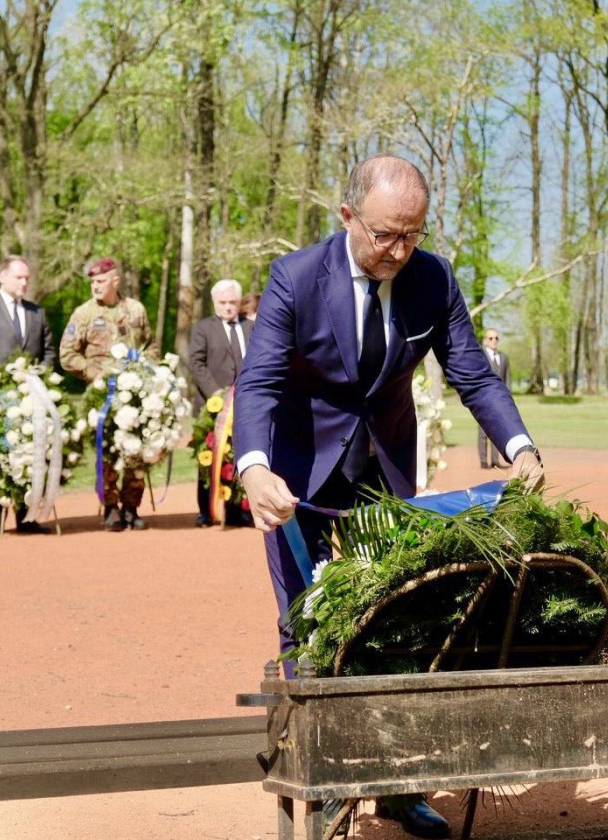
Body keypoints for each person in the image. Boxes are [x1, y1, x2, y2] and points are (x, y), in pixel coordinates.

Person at [234, 154, 543, 840]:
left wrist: (520, 447)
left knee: (407, 616)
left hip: (385, 468)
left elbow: (472, 373)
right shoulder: (294, 279)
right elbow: (256, 384)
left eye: (413, 234)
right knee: (305, 623)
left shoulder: (431, 278)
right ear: (347, 217)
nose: (400, 252)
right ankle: (314, 790)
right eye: (384, 236)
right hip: (297, 474)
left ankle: (404, 790)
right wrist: (253, 469)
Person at [60, 257, 158, 531]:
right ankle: (111, 508)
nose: (95, 286)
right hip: (102, 397)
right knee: (108, 454)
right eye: (92, 282)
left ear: (115, 281)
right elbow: (67, 355)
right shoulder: (84, 314)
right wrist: (95, 373)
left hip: (135, 394)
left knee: (136, 452)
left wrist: (146, 371)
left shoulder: (135, 309)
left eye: (101, 281)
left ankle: (131, 507)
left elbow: (151, 346)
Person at [0, 255, 58, 535]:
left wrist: (38, 378)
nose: (25, 282)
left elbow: (49, 351)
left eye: (27, 278)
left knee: (29, 453)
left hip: (32, 398)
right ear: (2, 277)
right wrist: (0, 380)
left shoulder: (36, 312)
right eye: (19, 277)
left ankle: (26, 516)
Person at [188, 278, 254, 527]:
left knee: (241, 456)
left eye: (232, 302)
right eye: (223, 302)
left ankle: (238, 510)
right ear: (214, 302)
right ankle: (206, 511)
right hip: (211, 406)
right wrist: (217, 394)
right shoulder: (203, 328)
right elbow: (196, 363)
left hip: (246, 404)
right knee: (210, 458)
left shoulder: (251, 327)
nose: (228, 307)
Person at [477, 328, 510, 469]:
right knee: (483, 432)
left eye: (496, 338)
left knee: (498, 431)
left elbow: (507, 379)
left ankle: (496, 461)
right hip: (483, 399)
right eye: (490, 338)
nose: (494, 341)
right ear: (485, 341)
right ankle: (484, 462)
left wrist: (508, 398)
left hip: (500, 400)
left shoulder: (504, 358)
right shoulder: (480, 356)